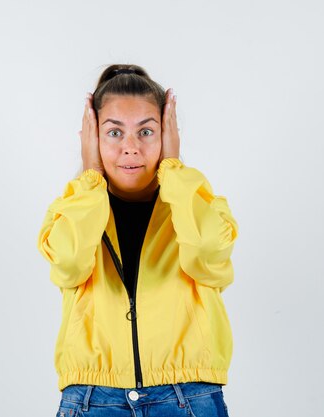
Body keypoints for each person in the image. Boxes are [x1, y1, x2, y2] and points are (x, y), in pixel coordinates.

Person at [37, 64, 239, 417]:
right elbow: (69, 265)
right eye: (114, 133)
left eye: (146, 131)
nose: (131, 148)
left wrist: (173, 168)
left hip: (187, 396)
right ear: (92, 137)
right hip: (91, 398)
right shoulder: (72, 209)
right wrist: (90, 177)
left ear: (168, 134)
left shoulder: (196, 205)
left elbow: (208, 253)